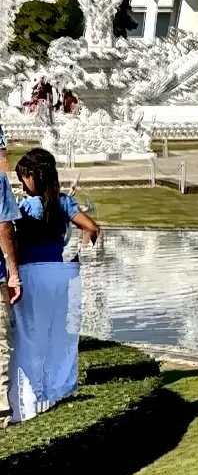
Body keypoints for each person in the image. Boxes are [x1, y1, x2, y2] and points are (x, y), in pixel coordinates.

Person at [8, 147, 100, 422]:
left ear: (34, 175)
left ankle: (27, 400)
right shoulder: (63, 202)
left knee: (28, 338)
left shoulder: (23, 206)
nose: (22, 183)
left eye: (24, 177)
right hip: (60, 273)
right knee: (59, 336)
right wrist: (80, 252)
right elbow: (92, 228)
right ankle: (57, 391)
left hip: (30, 274)